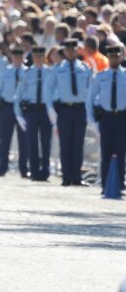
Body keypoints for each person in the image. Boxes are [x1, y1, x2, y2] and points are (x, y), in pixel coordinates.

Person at [45, 38, 92, 186]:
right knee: (65, 144)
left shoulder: (85, 68)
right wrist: (51, 108)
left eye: (73, 49)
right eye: (68, 49)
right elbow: (48, 89)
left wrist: (91, 112)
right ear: (64, 51)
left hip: (80, 109)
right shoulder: (58, 68)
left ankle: (77, 177)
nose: (71, 52)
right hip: (64, 109)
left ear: (77, 50)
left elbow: (91, 91)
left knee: (78, 144)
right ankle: (66, 177)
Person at [86, 45, 126, 194]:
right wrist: (92, 122)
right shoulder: (101, 76)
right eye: (111, 56)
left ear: (122, 57)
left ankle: (120, 184)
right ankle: (105, 184)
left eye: (117, 56)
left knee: (121, 153)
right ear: (108, 57)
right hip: (106, 119)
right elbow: (90, 100)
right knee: (106, 152)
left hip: (122, 118)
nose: (114, 59)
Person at [15, 46, 53, 181]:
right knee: (32, 142)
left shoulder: (50, 72)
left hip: (45, 109)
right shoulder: (27, 73)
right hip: (31, 110)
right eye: (36, 56)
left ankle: (45, 171)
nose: (38, 59)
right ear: (33, 57)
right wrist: (19, 115)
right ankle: (34, 171)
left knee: (46, 142)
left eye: (41, 56)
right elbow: (18, 96)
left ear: (44, 57)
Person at [0, 46, 29, 178]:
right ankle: (2, 167)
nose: (18, 59)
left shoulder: (27, 72)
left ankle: (24, 169)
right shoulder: (5, 72)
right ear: (11, 57)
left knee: (24, 140)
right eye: (15, 56)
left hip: (23, 108)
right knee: (5, 139)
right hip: (8, 107)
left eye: (20, 56)